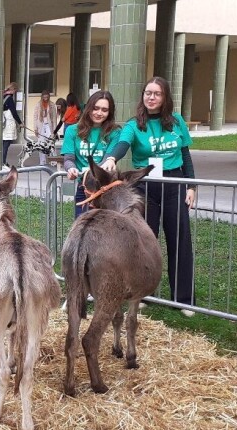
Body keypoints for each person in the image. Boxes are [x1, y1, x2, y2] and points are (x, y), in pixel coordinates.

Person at [101, 76, 197, 317]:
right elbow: (122, 144)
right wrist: (112, 158)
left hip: (174, 183)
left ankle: (183, 299)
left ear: (165, 98)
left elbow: (185, 155)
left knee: (179, 239)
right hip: (144, 187)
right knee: (144, 241)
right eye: (147, 93)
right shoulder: (134, 125)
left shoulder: (177, 123)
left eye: (157, 93)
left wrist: (192, 186)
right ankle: (142, 293)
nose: (151, 97)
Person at [61, 90, 121, 218]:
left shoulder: (115, 132)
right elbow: (68, 159)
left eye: (104, 110)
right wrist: (71, 168)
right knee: (82, 229)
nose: (99, 113)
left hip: (107, 190)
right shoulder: (72, 130)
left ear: (109, 112)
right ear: (88, 108)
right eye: (96, 108)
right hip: (84, 189)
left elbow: (107, 160)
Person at [1, 82, 23, 170]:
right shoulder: (9, 98)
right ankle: (2, 162)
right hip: (8, 123)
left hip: (3, 122)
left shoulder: (3, 96)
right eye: (15, 90)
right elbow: (14, 112)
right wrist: (20, 123)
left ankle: (3, 161)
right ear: (13, 89)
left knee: (4, 144)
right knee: (6, 144)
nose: (15, 92)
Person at [32, 90, 57, 165]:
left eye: (47, 97)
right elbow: (35, 117)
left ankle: (54, 160)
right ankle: (42, 161)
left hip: (49, 126)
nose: (45, 98)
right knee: (41, 143)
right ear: (42, 97)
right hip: (41, 125)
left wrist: (54, 130)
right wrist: (35, 128)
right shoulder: (38, 105)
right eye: (44, 97)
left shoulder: (52, 105)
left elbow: (54, 118)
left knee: (51, 143)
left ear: (49, 96)